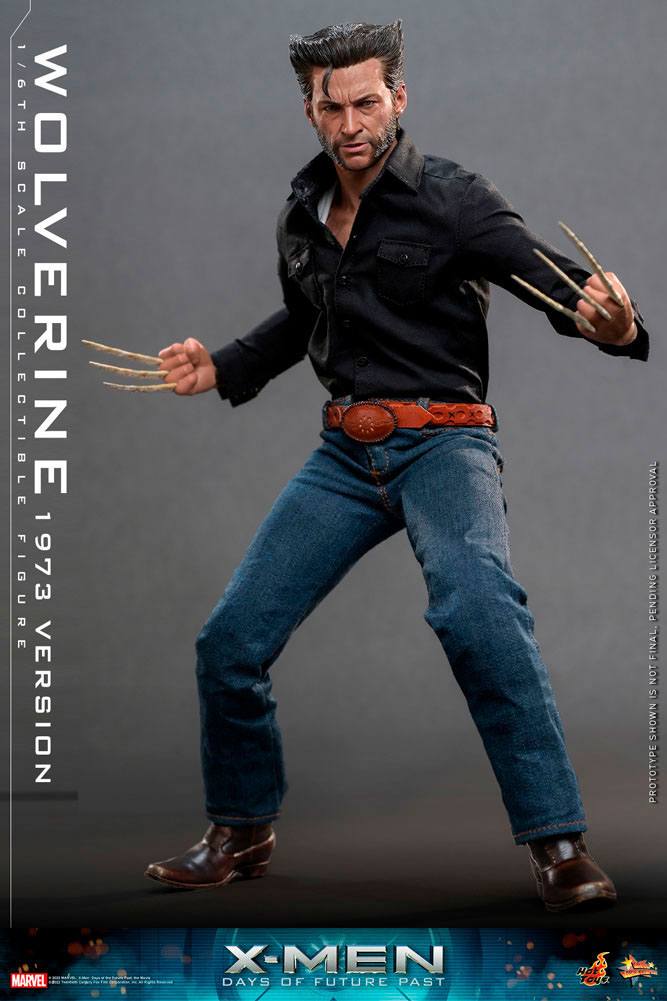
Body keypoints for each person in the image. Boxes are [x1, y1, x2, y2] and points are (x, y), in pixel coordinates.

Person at [143, 20, 648, 910]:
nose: (351, 123)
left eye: (367, 102)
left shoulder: (453, 198)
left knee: (479, 612)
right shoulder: (301, 213)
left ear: (398, 99)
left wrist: (609, 322)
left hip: (443, 442)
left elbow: (553, 282)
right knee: (230, 640)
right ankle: (241, 829)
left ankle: (559, 845)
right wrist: (221, 365)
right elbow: (307, 318)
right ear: (310, 110)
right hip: (345, 453)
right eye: (332, 107)